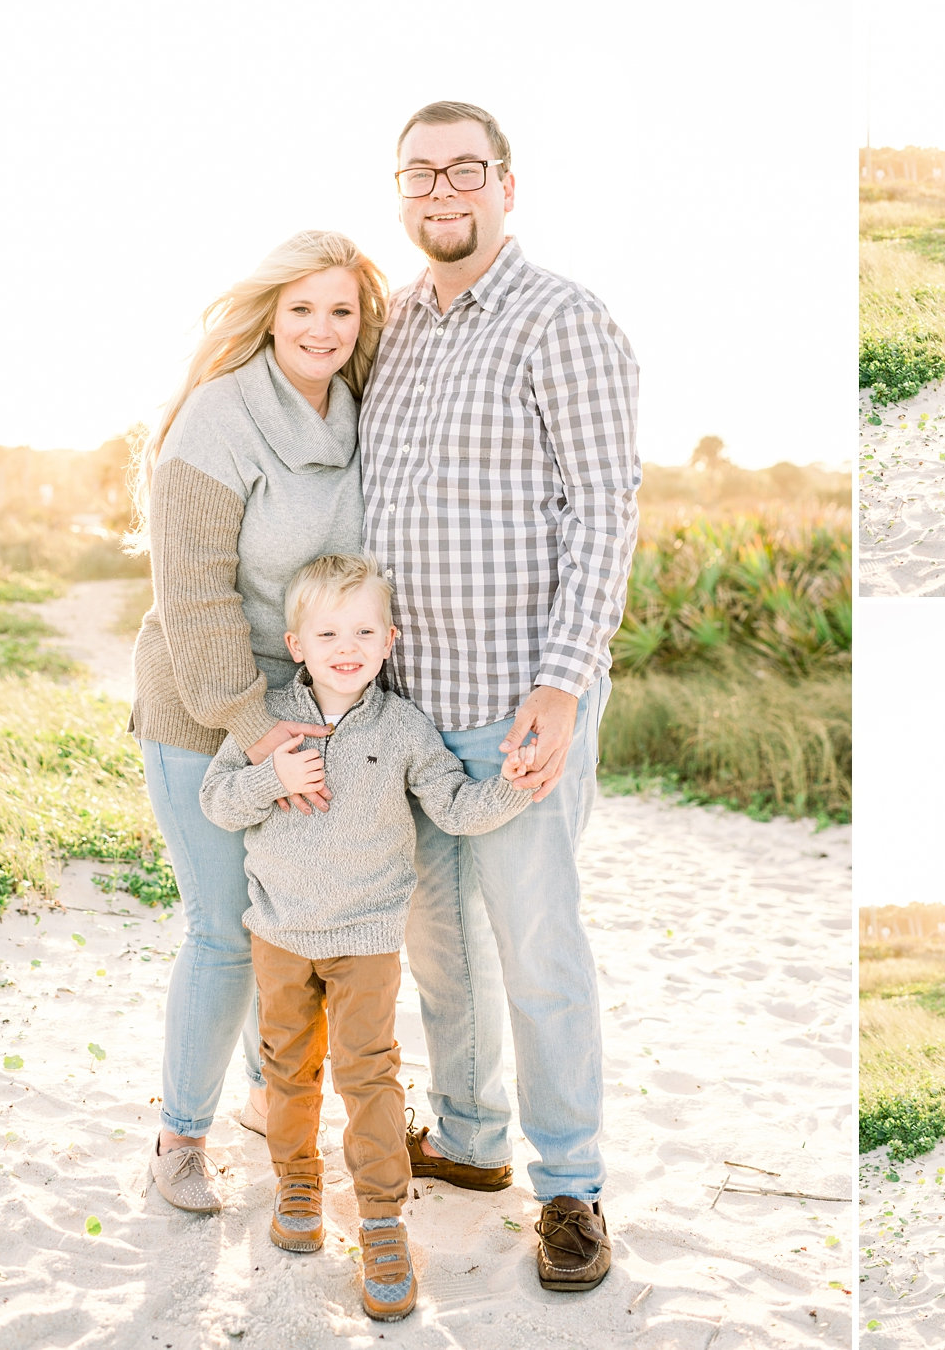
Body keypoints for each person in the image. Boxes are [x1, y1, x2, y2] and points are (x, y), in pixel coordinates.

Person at [359, 100, 640, 1292]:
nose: (440, 190)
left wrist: (564, 684)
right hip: (409, 711)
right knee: (441, 950)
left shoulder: (560, 317)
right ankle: (470, 1141)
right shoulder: (400, 328)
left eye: (463, 169)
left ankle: (569, 1186)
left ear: (506, 186)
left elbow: (606, 509)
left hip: (515, 705)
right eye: (418, 172)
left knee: (536, 946)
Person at [198, 553, 535, 1321]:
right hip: (281, 933)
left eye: (362, 630)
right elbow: (218, 801)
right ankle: (298, 1185)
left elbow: (453, 806)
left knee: (368, 1075)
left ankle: (381, 1221)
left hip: (368, 941)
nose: (345, 645)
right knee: (289, 1072)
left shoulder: (405, 726)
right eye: (327, 632)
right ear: (296, 645)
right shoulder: (271, 724)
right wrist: (272, 777)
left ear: (390, 639)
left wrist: (513, 784)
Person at [129, 231, 387, 1211]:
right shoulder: (217, 419)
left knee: (278, 921)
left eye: (342, 311)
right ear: (269, 314)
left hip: (305, 708)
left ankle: (256, 1099)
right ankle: (177, 1142)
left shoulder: (359, 414)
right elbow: (192, 597)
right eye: (302, 309)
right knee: (224, 931)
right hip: (200, 710)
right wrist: (250, 718)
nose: (322, 329)